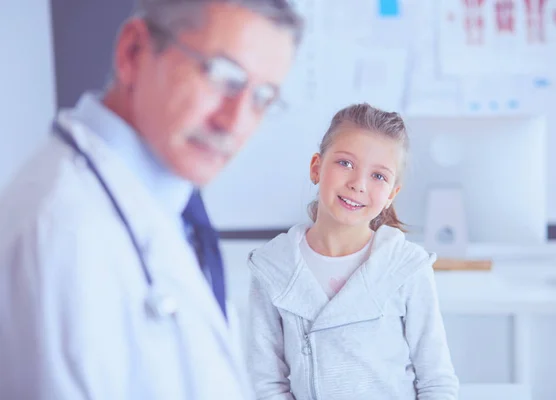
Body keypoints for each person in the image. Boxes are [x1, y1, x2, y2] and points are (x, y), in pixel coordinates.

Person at [0, 0, 302, 398]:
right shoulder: (60, 231)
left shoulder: (171, 209)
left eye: (261, 98)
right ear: (133, 52)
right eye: (222, 76)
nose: (235, 122)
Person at [246, 103, 460, 399]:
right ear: (316, 168)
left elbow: (437, 381)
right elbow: (266, 383)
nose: (358, 184)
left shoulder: (406, 267)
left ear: (391, 195)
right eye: (345, 163)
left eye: (379, 176)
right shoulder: (272, 268)